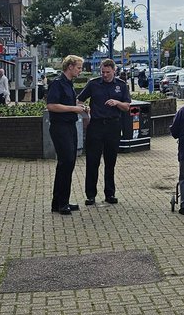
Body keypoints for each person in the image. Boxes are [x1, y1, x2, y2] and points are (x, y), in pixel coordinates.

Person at [77, 58, 131, 205]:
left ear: (114, 71)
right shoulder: (93, 84)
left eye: (108, 72)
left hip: (113, 126)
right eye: (103, 72)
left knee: (110, 162)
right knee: (92, 161)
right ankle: (91, 195)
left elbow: (127, 106)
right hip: (96, 126)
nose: (105, 75)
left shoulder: (121, 85)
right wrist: (85, 111)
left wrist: (117, 103)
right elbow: (79, 100)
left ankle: (110, 194)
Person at [45, 55, 87, 216]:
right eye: (78, 67)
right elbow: (51, 105)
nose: (80, 70)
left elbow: (68, 103)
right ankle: (61, 203)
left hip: (69, 126)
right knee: (66, 162)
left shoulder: (69, 84)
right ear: (70, 66)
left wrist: (80, 106)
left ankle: (60, 201)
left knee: (68, 163)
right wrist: (73, 109)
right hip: (60, 127)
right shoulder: (57, 83)